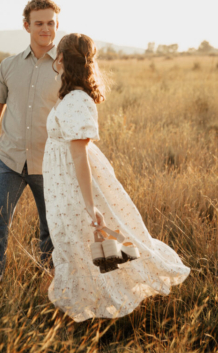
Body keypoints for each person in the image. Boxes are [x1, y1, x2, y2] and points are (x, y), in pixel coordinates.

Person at [42, 33, 190, 322]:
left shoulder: (76, 100)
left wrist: (89, 205)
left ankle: (101, 310)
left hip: (74, 184)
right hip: (63, 182)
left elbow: (78, 156)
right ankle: (89, 310)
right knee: (74, 243)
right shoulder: (70, 97)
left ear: (61, 59)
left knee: (81, 241)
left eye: (57, 54)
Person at [0, 0, 61, 310]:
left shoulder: (67, 67)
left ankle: (48, 294)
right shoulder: (8, 66)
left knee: (52, 230)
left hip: (51, 164)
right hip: (8, 160)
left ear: (57, 25)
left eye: (50, 22)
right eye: (39, 23)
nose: (45, 28)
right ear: (27, 26)